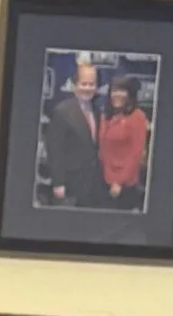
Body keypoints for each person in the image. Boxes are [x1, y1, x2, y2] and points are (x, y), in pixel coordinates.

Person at [39, 52, 104, 204]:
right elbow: (54, 150)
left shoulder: (97, 110)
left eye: (91, 84)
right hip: (69, 185)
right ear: (75, 85)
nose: (88, 88)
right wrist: (58, 183)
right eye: (84, 83)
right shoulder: (62, 112)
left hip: (92, 187)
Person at [97, 73, 150, 204]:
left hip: (125, 183)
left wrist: (119, 182)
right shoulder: (106, 115)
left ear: (129, 94)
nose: (117, 94)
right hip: (103, 179)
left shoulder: (137, 117)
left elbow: (136, 154)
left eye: (122, 90)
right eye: (114, 90)